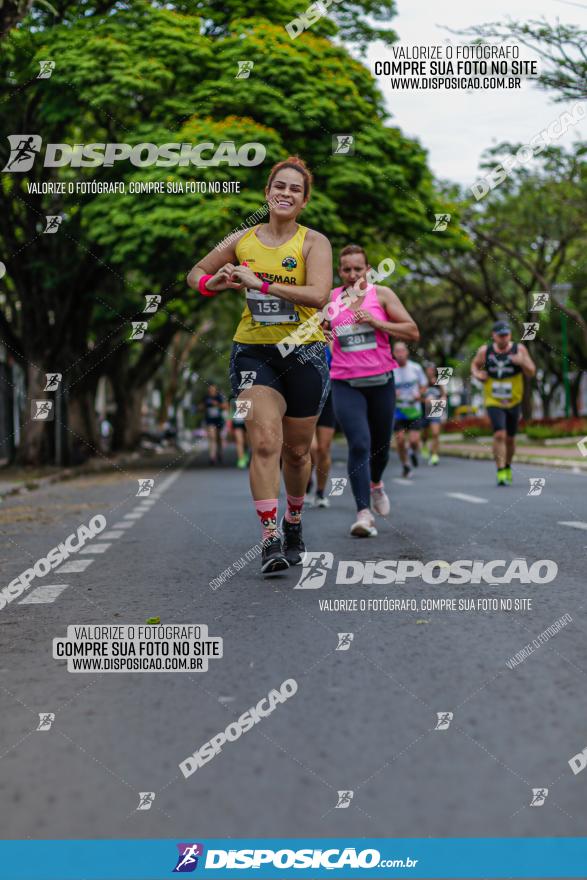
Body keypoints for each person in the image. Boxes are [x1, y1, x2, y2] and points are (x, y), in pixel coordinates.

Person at [187, 157, 332, 575]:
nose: (285, 193)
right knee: (266, 443)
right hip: (253, 353)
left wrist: (262, 284)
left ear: (304, 201)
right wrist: (209, 284)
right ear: (267, 192)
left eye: (295, 190)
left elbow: (320, 294)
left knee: (298, 452)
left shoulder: (313, 243)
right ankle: (270, 540)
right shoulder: (241, 239)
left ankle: (293, 520)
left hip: (304, 354)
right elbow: (194, 272)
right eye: (279, 186)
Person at [328, 245, 419, 537]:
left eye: (358, 269)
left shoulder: (382, 295)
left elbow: (412, 331)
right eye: (346, 269)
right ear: (339, 271)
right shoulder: (331, 301)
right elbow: (319, 331)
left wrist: (376, 322)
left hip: (381, 382)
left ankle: (376, 483)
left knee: (380, 448)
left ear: (368, 269)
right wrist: (323, 332)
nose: (352, 275)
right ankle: (363, 514)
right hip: (345, 383)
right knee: (359, 444)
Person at [471, 320, 536, 485]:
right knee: (499, 434)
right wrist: (478, 375)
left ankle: (507, 465)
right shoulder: (485, 351)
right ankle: (500, 470)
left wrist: (522, 362)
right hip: (493, 399)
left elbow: (531, 372)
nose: (503, 338)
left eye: (506, 335)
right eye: (500, 335)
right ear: (494, 336)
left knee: (511, 439)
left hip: (514, 400)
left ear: (510, 335)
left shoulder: (519, 349)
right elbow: (475, 365)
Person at [306, 343, 336, 508]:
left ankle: (320, 492)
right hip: (308, 395)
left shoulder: (332, 340)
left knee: (324, 448)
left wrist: (331, 344)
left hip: (329, 396)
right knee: (311, 449)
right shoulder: (303, 336)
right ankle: (306, 482)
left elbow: (340, 360)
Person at [392, 343, 427, 478]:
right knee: (400, 440)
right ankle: (405, 464)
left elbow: (423, 385)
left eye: (402, 351)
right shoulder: (391, 369)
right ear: (394, 353)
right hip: (399, 411)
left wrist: (420, 394)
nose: (400, 353)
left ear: (407, 352)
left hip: (414, 410)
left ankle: (412, 452)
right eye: (397, 351)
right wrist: (393, 393)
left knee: (413, 441)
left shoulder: (415, 368)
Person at [421, 364, 447, 466]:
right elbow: (418, 396)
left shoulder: (439, 382)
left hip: (435, 410)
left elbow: (444, 395)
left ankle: (434, 455)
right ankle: (424, 444)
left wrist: (442, 399)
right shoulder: (422, 382)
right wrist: (425, 400)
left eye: (432, 370)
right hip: (423, 411)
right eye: (428, 370)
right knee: (425, 434)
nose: (430, 372)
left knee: (436, 433)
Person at [201, 384, 226, 465]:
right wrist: (202, 406)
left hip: (218, 420)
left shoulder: (219, 397)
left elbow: (226, 406)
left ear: (215, 388)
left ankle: (220, 452)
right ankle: (212, 457)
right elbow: (200, 406)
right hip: (210, 421)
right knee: (212, 437)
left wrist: (217, 404)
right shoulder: (206, 397)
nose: (211, 389)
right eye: (210, 388)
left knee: (218, 437)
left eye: (213, 388)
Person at [229, 396, 249, 468]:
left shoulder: (250, 393)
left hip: (248, 421)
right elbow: (230, 411)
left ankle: (246, 453)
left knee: (246, 441)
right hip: (237, 421)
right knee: (239, 440)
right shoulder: (233, 395)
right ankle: (241, 459)